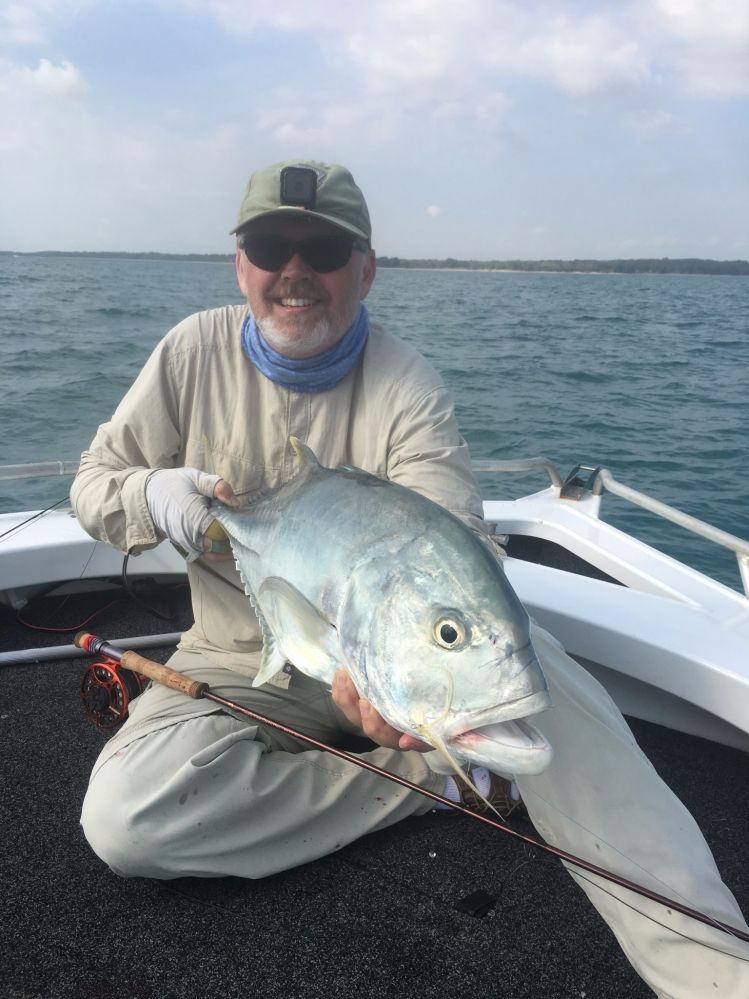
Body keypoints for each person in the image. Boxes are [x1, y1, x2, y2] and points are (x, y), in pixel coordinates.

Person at [72, 159, 748, 997]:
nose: (295, 270)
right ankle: (434, 783)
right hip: (237, 655)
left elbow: (452, 533)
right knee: (126, 820)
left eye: (322, 248)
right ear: (239, 262)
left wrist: (431, 649)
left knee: (547, 699)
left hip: (391, 652)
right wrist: (150, 493)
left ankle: (716, 971)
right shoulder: (188, 353)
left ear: (365, 268)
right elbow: (94, 483)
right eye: (270, 244)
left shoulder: (407, 384)